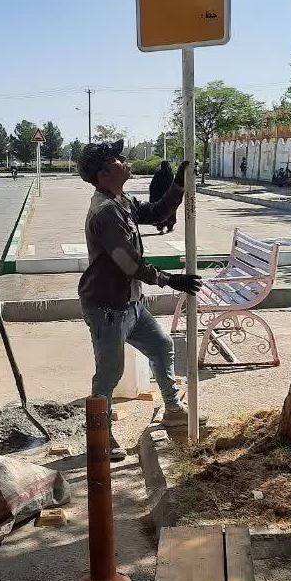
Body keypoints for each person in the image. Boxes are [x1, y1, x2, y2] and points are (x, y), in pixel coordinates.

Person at [77, 139, 202, 461]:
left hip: (130, 303)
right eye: (117, 158)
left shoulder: (122, 200)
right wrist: (170, 280)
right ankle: (100, 437)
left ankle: (173, 408)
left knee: (162, 346)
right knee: (109, 374)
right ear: (103, 173)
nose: (124, 160)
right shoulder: (105, 212)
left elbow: (158, 212)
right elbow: (128, 262)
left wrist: (178, 184)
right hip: (107, 308)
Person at [149, 160, 176, 233]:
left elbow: (152, 186)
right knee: (170, 212)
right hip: (169, 197)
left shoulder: (158, 174)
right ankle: (170, 227)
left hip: (159, 197)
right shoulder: (170, 174)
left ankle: (161, 228)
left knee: (160, 212)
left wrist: (152, 197)